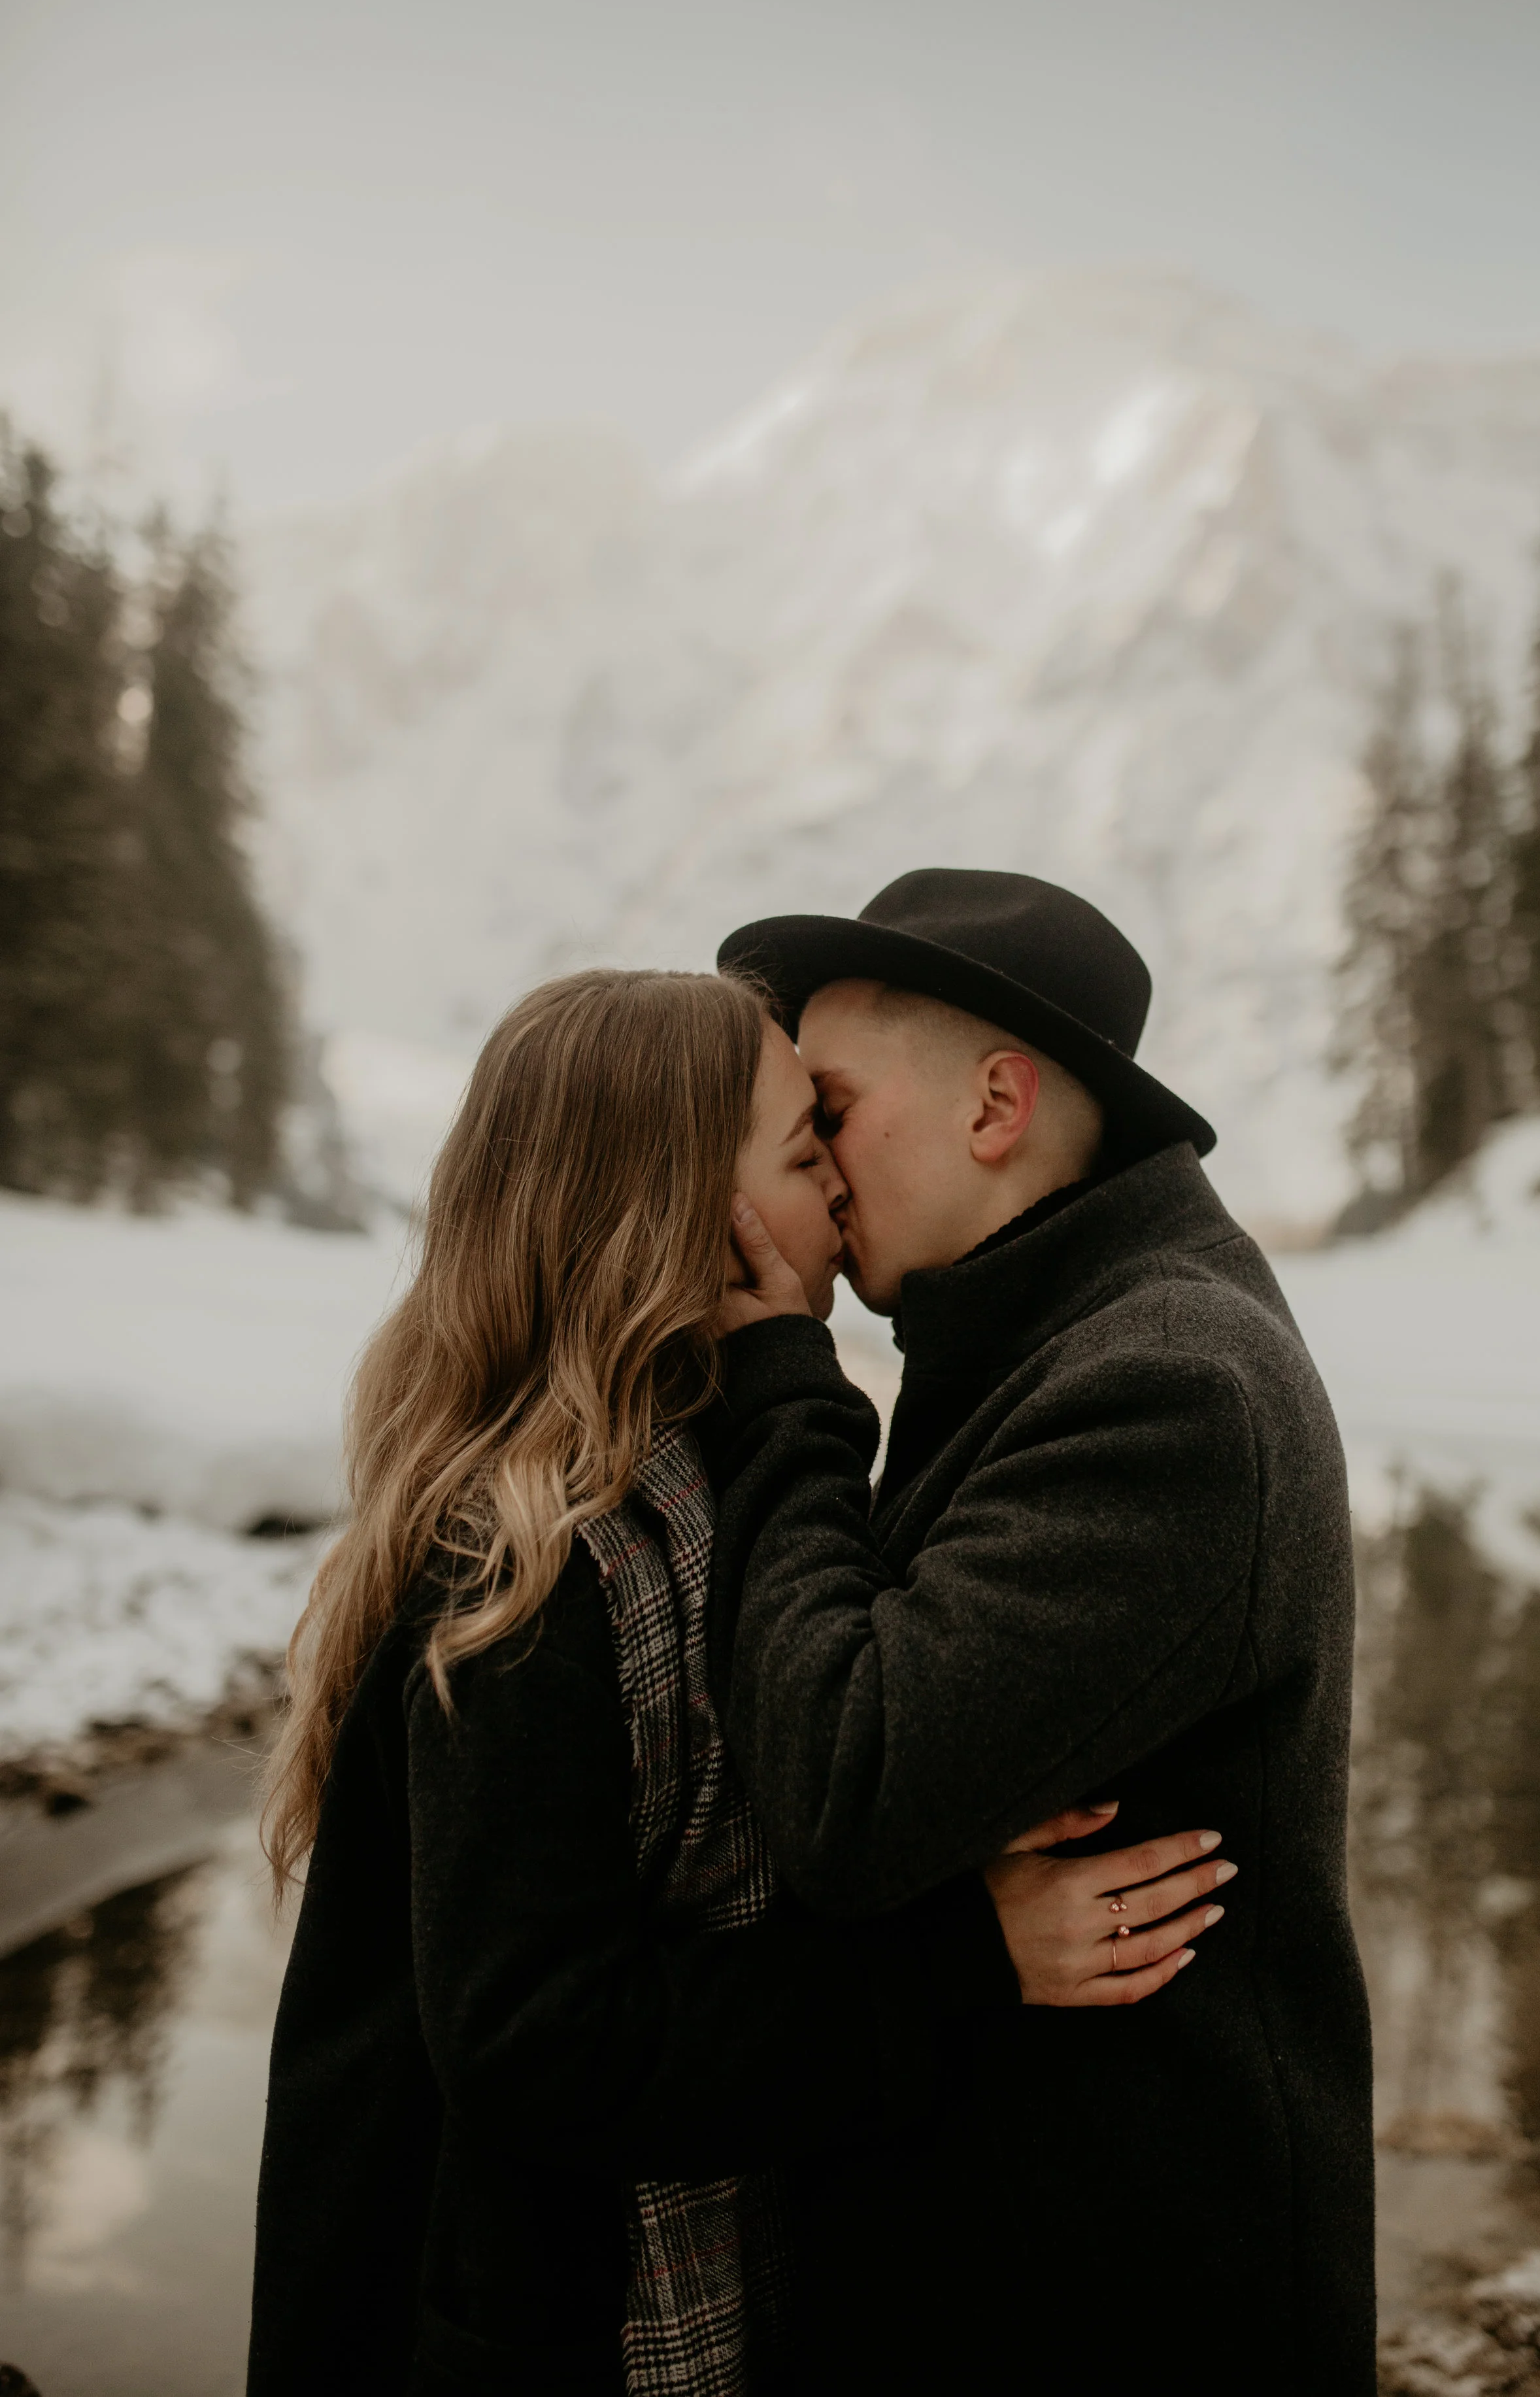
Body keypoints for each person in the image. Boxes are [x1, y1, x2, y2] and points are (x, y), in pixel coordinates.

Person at [248, 966, 1226, 2397]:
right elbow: (535, 2039)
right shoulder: (528, 1555)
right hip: (513, 2328)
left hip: (649, 2286)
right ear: (685, 1213)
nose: (840, 1178)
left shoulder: (692, 1482)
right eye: (800, 1143)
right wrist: (969, 1959)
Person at [707, 868, 1376, 2396]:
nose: (803, 1157)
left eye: (830, 1105)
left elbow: (845, 1790)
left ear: (995, 1104)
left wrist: (783, 1389)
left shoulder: (1166, 1386)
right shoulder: (1035, 1329)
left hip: (1109, 2308)